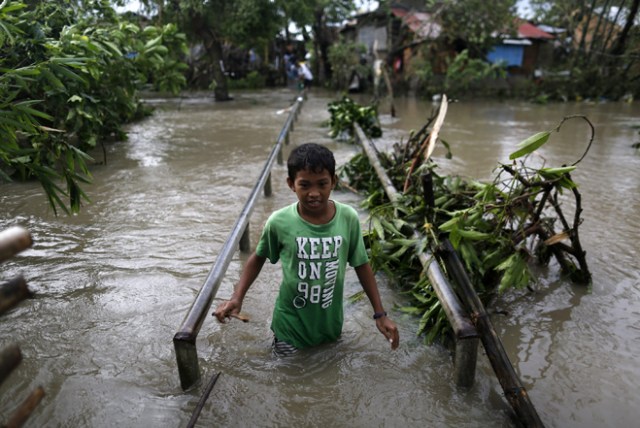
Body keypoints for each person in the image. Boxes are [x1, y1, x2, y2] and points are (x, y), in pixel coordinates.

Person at [214, 143, 400, 356]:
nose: (314, 193)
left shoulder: (348, 218)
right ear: (291, 184)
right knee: (290, 379)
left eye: (322, 184)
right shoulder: (279, 221)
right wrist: (237, 297)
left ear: (334, 182)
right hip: (290, 328)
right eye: (305, 185)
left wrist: (379, 313)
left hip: (330, 326)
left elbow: (361, 264)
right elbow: (258, 258)